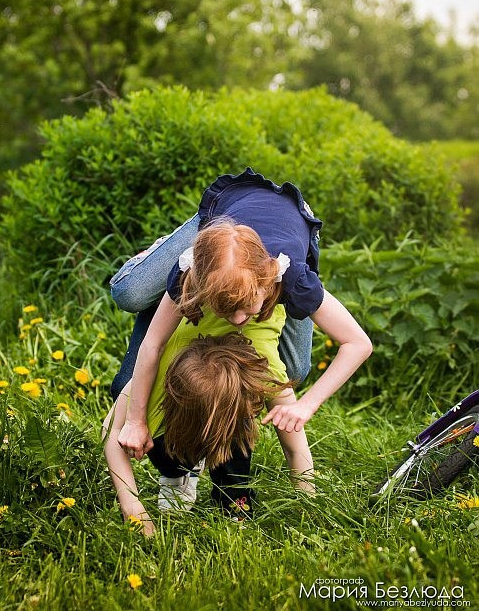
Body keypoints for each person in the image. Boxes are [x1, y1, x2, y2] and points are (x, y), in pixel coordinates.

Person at [111, 167, 372, 462]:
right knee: (130, 295)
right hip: (224, 215)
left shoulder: (294, 277)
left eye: (247, 308)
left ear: (267, 284)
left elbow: (358, 344)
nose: (236, 322)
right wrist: (136, 420)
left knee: (294, 370)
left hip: (287, 218)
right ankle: (156, 255)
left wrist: (306, 405)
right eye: (226, 309)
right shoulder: (191, 269)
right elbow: (154, 343)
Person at [103, 305, 314, 536]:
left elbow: (295, 449)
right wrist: (133, 508)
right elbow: (111, 430)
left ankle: (234, 503)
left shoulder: (267, 371)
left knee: (235, 441)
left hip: (261, 295)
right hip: (182, 301)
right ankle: (178, 472)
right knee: (148, 430)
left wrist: (309, 507)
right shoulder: (157, 371)